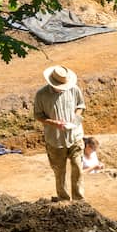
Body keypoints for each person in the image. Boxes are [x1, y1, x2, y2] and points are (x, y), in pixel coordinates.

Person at [33, 65, 86, 201]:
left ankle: (79, 199)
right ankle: (63, 200)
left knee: (78, 167)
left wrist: (75, 117)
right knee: (59, 171)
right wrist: (54, 123)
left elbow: (80, 105)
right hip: (55, 140)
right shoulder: (41, 95)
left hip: (75, 136)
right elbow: (38, 115)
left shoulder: (73, 89)